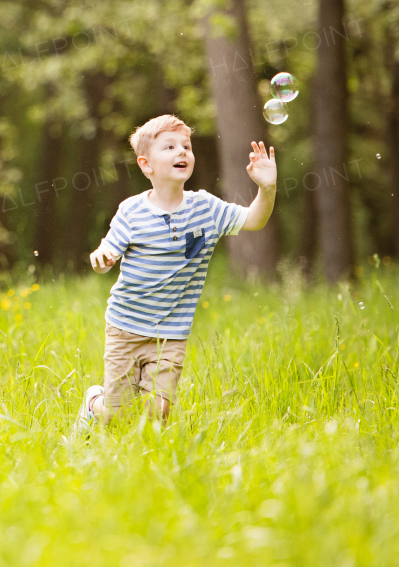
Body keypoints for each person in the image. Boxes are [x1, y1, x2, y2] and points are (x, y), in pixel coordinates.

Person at [75, 114, 276, 429]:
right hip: (125, 328)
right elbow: (107, 249)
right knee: (117, 415)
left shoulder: (206, 209)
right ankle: (93, 404)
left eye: (186, 146)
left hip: (171, 333)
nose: (182, 151)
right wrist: (102, 258)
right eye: (169, 147)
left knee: (159, 410)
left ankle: (154, 455)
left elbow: (254, 220)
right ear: (146, 165)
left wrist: (267, 188)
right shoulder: (131, 211)